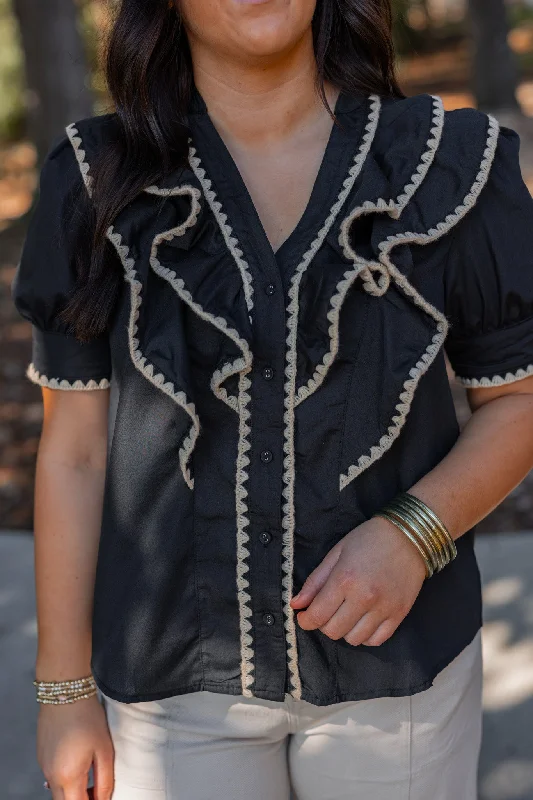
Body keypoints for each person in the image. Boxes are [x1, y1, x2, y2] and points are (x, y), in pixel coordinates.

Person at [11, 0, 533, 798]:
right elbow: (75, 450)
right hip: (171, 691)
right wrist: (63, 692)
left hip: (399, 680)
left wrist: (412, 534)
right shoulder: (94, 181)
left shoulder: (443, 166)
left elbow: (518, 401)